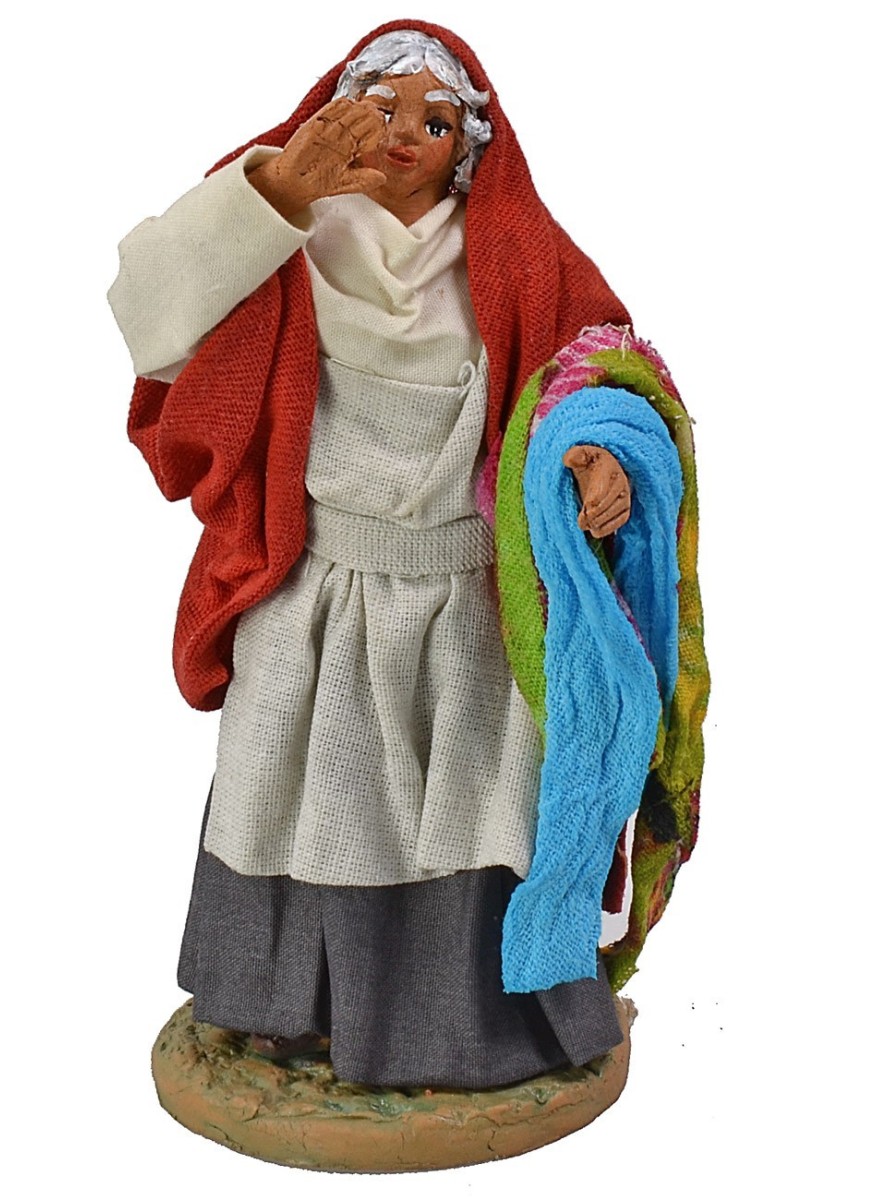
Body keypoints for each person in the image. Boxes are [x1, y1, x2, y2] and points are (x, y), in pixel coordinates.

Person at [109, 21, 649, 1090]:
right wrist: (275, 190)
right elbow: (149, 318)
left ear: (470, 147)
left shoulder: (516, 255)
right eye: (381, 108)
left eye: (435, 121)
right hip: (319, 586)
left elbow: (593, 366)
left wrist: (595, 451)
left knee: (473, 806)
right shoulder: (289, 237)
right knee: (295, 790)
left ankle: (470, 1027)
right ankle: (280, 1008)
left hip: (464, 596)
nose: (406, 134)